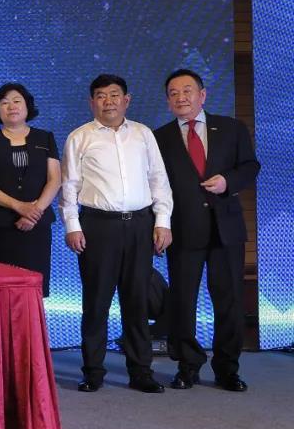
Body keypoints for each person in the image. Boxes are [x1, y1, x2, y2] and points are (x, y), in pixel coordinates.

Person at [61, 74, 173, 393]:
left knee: (136, 300)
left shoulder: (143, 134)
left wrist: (162, 221)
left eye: (114, 95)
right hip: (98, 226)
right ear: (91, 102)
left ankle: (141, 371)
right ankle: (93, 371)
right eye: (100, 95)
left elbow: (158, 179)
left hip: (140, 224)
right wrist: (72, 226)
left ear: (127, 100)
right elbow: (69, 186)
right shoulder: (79, 137)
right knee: (96, 302)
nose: (108, 101)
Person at [154, 69, 260, 392]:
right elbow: (154, 185)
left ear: (202, 95)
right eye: (174, 93)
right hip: (183, 229)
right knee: (183, 301)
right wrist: (159, 225)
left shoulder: (230, 128)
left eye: (187, 90)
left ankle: (227, 368)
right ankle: (187, 366)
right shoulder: (158, 138)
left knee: (229, 301)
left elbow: (250, 166)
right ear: (168, 101)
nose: (181, 97)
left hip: (226, 229)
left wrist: (228, 181)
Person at [0, 83, 61, 296]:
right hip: (0, 226)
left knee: (34, 290)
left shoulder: (45, 138)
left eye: (16, 101)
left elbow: (55, 179)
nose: (11, 107)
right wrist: (19, 206)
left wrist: (34, 212)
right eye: (4, 103)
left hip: (37, 226)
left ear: (27, 106)